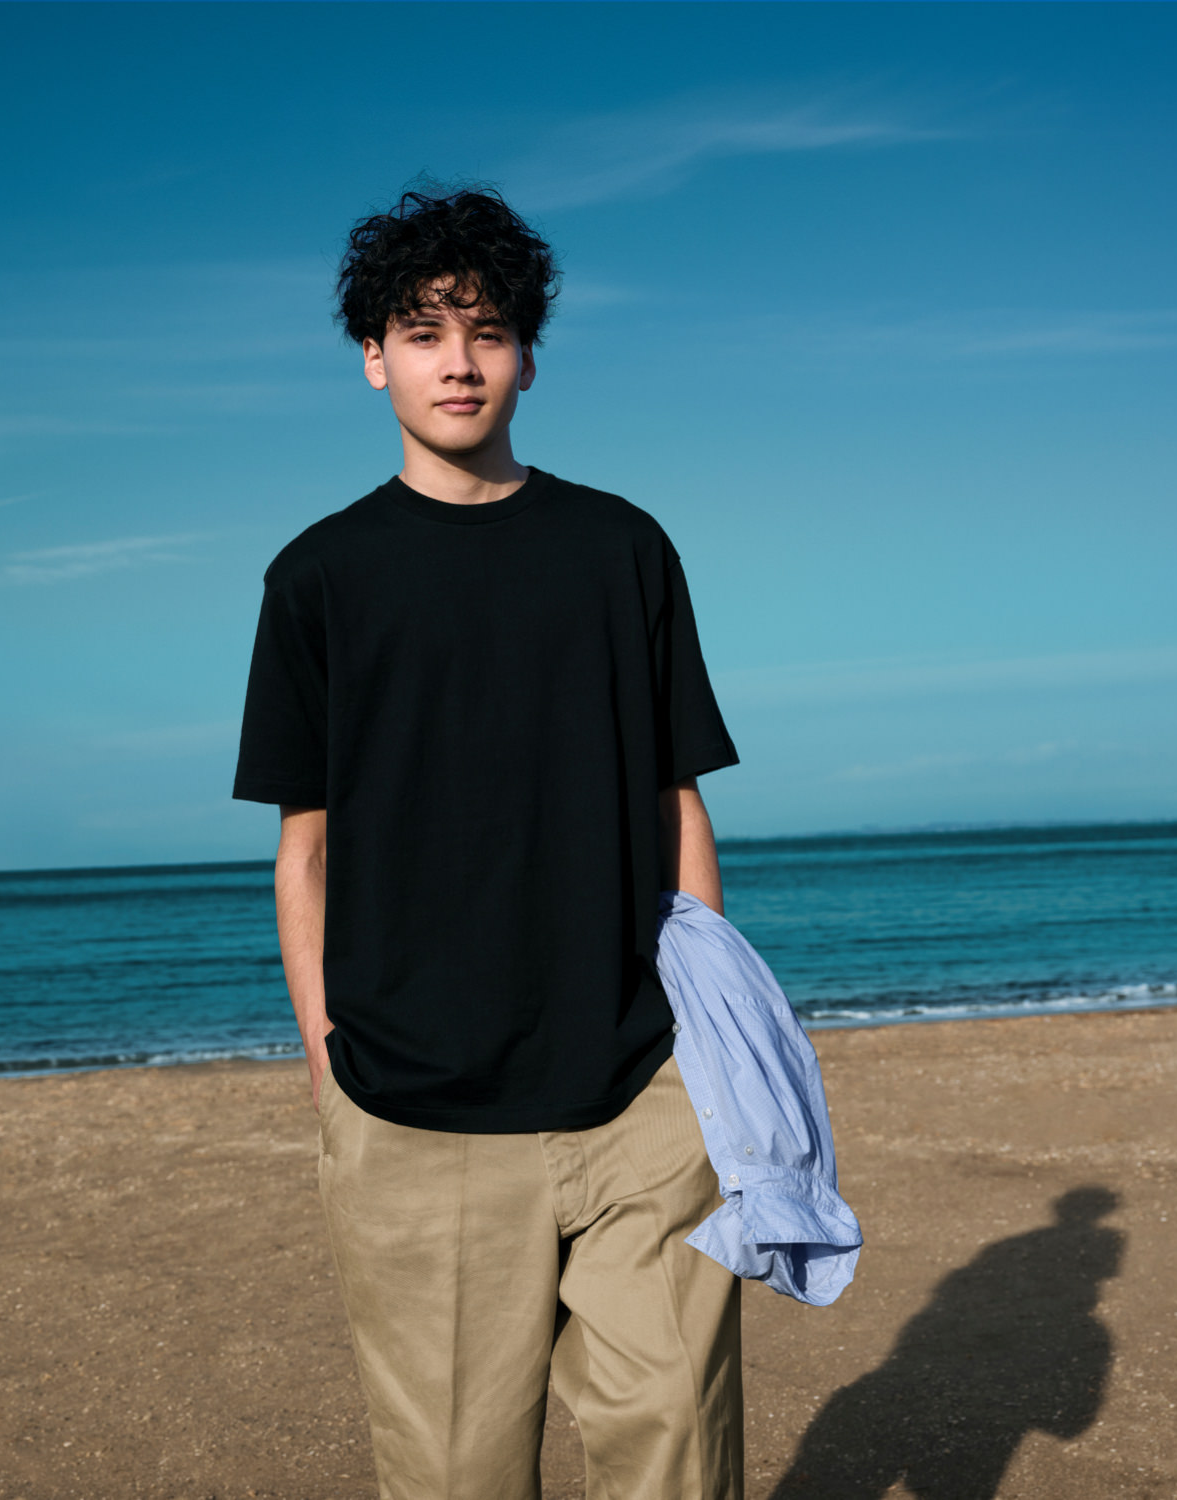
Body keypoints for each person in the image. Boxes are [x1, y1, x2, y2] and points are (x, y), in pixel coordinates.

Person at [232, 186, 745, 1500]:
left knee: (679, 1452)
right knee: (457, 1478)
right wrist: (328, 1064)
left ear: (526, 356)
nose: (457, 361)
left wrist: (710, 1042)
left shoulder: (623, 549)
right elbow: (306, 850)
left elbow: (677, 806)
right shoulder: (319, 579)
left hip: (641, 1092)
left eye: (489, 331)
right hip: (414, 1114)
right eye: (422, 332)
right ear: (374, 358)